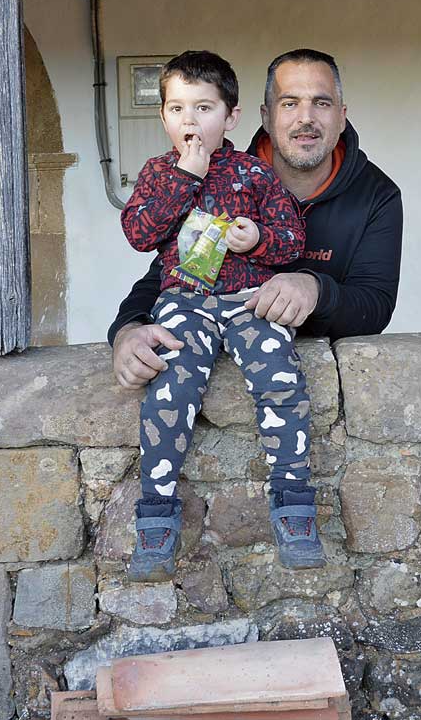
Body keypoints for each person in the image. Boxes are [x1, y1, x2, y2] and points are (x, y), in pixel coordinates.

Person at [119, 51, 321, 581]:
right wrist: (187, 176)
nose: (190, 121)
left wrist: (257, 241)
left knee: (281, 379)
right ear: (163, 117)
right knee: (170, 390)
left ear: (230, 117)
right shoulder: (159, 174)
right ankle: (157, 517)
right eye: (178, 109)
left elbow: (291, 240)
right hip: (184, 303)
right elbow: (140, 233)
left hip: (248, 300)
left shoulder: (254, 172)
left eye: (204, 108)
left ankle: (293, 504)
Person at [109, 48, 404, 387]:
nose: (305, 117)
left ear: (341, 116)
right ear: (266, 116)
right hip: (220, 371)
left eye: (321, 103)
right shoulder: (225, 178)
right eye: (289, 103)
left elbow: (375, 306)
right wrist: (127, 331)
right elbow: (173, 271)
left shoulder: (376, 194)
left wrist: (315, 289)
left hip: (305, 384)